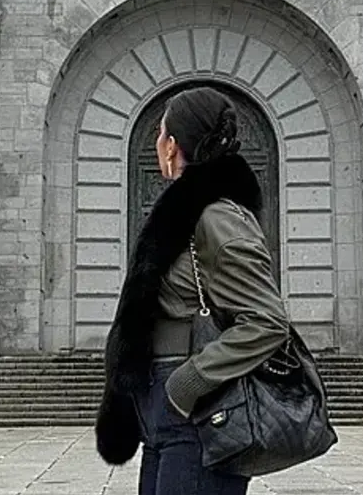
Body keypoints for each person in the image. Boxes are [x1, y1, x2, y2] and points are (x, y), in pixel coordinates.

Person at [95, 86, 290, 495]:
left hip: (201, 418)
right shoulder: (183, 215)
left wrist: (188, 383)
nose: (156, 143)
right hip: (163, 420)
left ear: (172, 145)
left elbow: (268, 322)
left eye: (160, 133)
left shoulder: (218, 218)